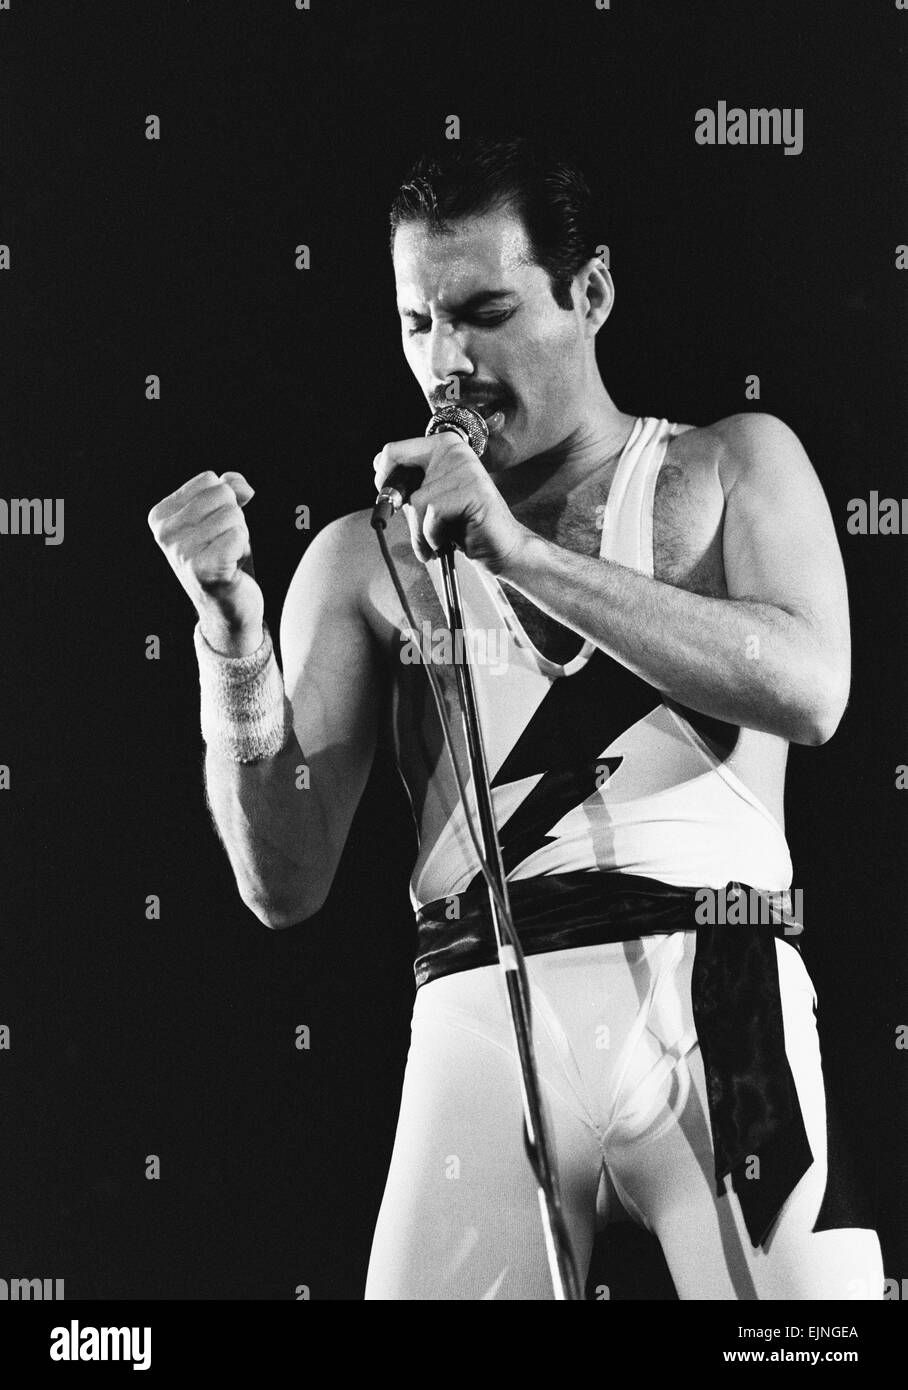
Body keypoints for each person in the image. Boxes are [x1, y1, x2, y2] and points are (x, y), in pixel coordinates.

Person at [148, 136, 884, 1300]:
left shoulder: (730, 465)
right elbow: (280, 883)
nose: (447, 363)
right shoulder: (362, 559)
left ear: (587, 292)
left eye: (484, 312)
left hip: (719, 978)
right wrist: (231, 644)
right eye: (416, 323)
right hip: (478, 1008)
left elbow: (810, 687)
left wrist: (517, 550)